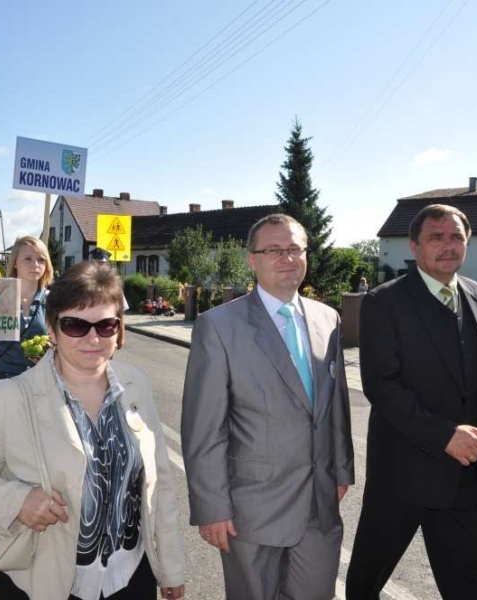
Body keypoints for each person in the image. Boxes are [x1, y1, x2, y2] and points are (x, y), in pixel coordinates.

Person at [0, 260, 186, 600]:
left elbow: (161, 484)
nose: (92, 338)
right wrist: (17, 501)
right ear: (52, 331)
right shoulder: (11, 397)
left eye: (106, 325)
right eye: (74, 325)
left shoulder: (136, 384)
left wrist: (170, 568)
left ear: (119, 330)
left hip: (130, 577)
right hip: (48, 581)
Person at [346, 204, 477, 599]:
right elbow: (381, 385)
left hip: (464, 480)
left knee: (470, 587)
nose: (447, 246)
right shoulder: (385, 302)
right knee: (365, 584)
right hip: (401, 477)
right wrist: (445, 434)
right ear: (415, 246)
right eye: (436, 237)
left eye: (456, 238)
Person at [181, 213, 354, 600]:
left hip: (318, 505)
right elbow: (203, 427)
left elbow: (336, 406)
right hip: (251, 510)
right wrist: (211, 506)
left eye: (294, 249)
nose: (287, 258)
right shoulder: (219, 326)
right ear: (252, 259)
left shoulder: (328, 319)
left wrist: (340, 470)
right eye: (273, 250)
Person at [0, 236, 54, 383]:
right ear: (15, 263)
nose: (36, 264)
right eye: (28, 259)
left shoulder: (54, 301)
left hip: (40, 384)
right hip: (2, 382)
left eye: (41, 259)